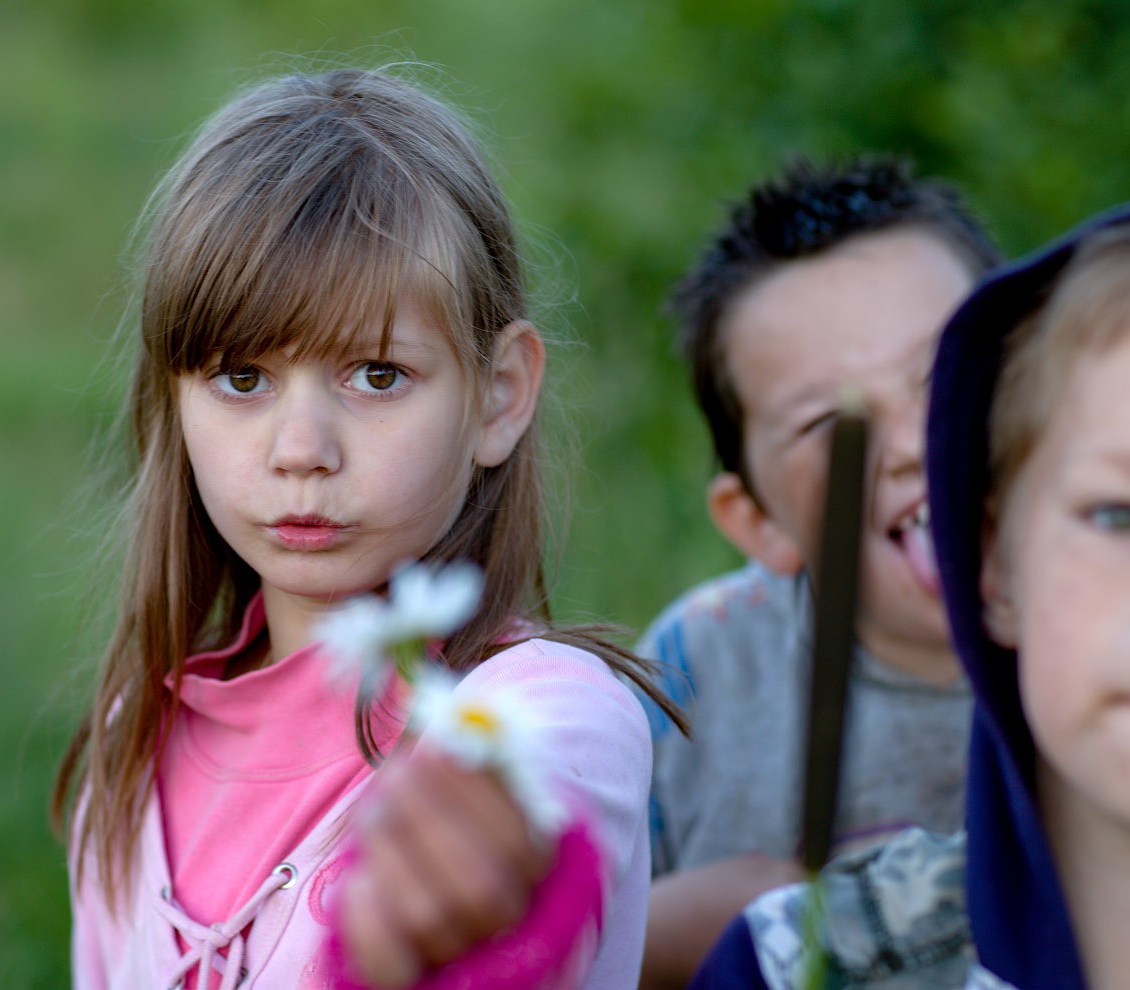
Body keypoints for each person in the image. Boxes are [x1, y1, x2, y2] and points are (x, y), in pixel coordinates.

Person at [49, 65, 678, 990]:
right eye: (241, 377)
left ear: (498, 396)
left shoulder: (537, 723)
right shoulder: (134, 743)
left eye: (376, 375)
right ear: (174, 403)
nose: (301, 449)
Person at [689, 194, 1130, 989]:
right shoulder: (794, 962)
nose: (910, 446)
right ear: (993, 559)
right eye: (1119, 516)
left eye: (935, 386)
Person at [636, 156, 1002, 988]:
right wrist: (658, 933)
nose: (909, 444)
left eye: (942, 374)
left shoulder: (1123, 632)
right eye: (829, 423)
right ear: (756, 520)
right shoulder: (696, 674)